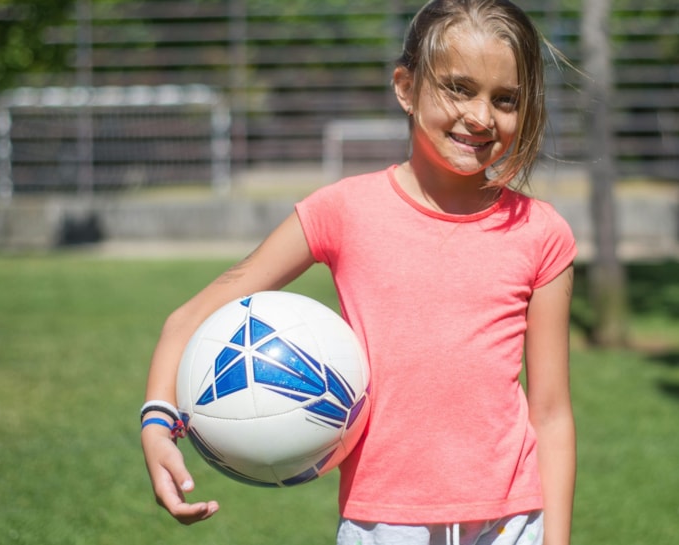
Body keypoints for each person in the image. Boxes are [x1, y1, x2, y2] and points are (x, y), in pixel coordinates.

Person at [140, 1, 577, 544]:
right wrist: (159, 423)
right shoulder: (342, 211)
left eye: (505, 99)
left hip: (512, 521)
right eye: (458, 89)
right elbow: (189, 319)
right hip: (381, 523)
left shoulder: (542, 232)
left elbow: (552, 412)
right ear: (405, 88)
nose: (482, 117)